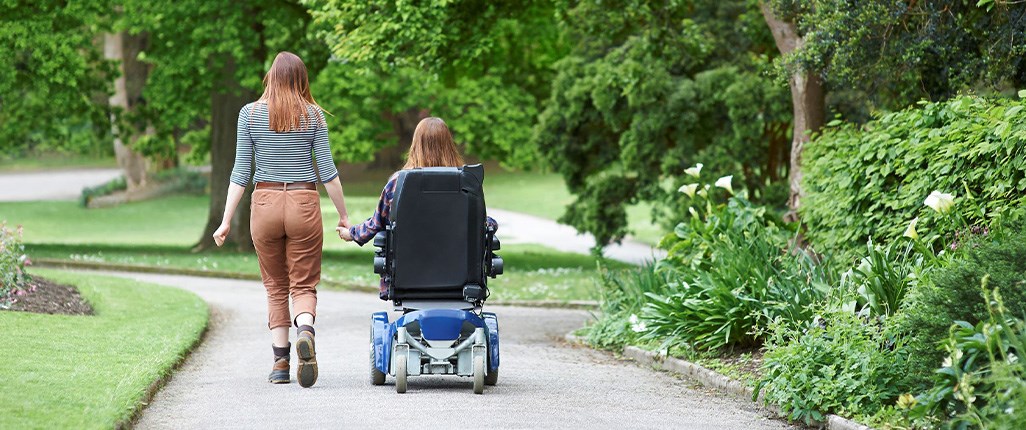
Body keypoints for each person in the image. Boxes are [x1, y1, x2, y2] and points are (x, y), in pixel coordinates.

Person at [213, 51, 350, 388]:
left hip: (265, 202)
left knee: (275, 285)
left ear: (270, 78)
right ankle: (306, 330)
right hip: (303, 201)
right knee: (303, 284)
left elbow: (241, 172)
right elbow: (329, 173)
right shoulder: (314, 116)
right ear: (302, 80)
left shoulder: (249, 115)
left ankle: (280, 364)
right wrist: (344, 217)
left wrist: (226, 220)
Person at [338, 117, 497, 300]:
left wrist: (351, 232)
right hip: (463, 282)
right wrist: (491, 224)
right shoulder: (467, 182)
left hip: (407, 280)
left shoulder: (399, 183)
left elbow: (376, 223)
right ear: (449, 144)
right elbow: (483, 224)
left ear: (416, 145)